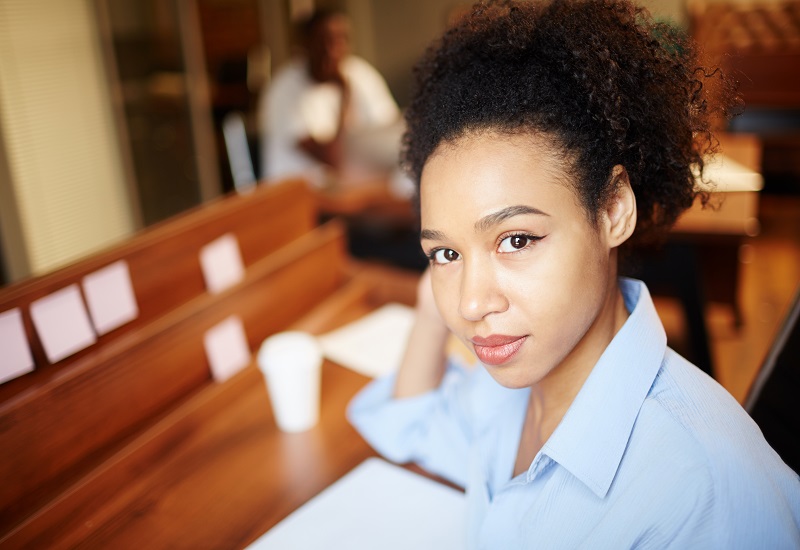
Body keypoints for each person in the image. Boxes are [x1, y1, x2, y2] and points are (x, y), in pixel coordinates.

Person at [347, 1, 800, 548]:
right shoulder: (510, 388)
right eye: (444, 254)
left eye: (515, 240)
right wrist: (429, 306)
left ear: (613, 210)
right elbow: (408, 425)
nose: (470, 305)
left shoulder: (702, 490)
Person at [258, 9, 400, 188]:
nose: (332, 50)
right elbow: (333, 159)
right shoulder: (284, 90)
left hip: (351, 189)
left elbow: (392, 138)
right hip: (298, 196)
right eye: (322, 41)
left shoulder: (360, 73)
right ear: (305, 44)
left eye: (341, 39)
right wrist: (345, 94)